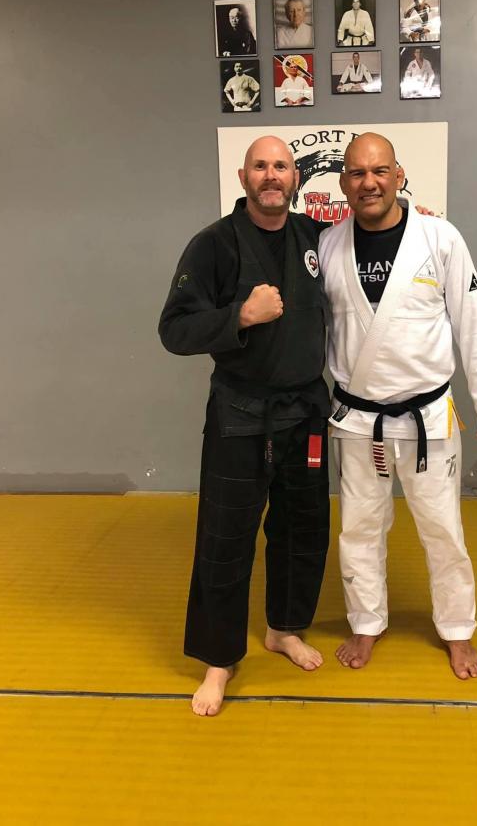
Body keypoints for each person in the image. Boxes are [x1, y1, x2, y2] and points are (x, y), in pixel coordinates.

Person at [318, 132, 477, 680]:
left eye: (380, 171)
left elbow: (472, 320)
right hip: (358, 419)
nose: (370, 183)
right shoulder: (328, 245)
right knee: (359, 528)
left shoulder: (439, 237)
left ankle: (457, 629)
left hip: (428, 416)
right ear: (343, 184)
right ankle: (366, 621)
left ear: (399, 176)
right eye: (358, 173)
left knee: (443, 530)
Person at [159, 136, 331, 716]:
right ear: (243, 177)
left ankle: (283, 629)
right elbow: (174, 330)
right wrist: (240, 316)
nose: (271, 175)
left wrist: (416, 217)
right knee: (225, 538)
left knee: (302, 529)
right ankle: (219, 659)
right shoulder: (212, 244)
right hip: (239, 414)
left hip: (305, 413)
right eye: (260, 166)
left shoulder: (315, 237)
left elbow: (372, 238)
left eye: (281, 165)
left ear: (295, 177)